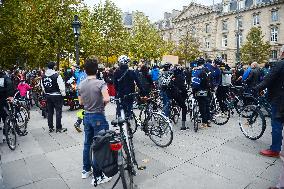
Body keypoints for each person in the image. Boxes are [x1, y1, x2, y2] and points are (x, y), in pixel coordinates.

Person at [78, 57, 112, 186]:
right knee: (100, 145)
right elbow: (107, 98)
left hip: (87, 116)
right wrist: (101, 106)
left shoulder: (81, 84)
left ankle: (86, 170)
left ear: (85, 70)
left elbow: (80, 102)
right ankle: (98, 176)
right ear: (96, 69)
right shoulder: (100, 83)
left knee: (87, 144)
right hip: (98, 116)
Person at [41, 62, 67, 133]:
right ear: (54, 67)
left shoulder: (43, 76)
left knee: (50, 112)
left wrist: (46, 93)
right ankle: (58, 127)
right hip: (57, 95)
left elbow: (42, 86)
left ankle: (50, 127)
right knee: (58, 111)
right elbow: (61, 86)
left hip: (48, 95)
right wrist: (63, 94)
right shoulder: (56, 75)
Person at [191, 58, 212, 128]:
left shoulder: (196, 71)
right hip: (207, 90)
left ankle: (204, 122)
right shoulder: (207, 70)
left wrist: (193, 90)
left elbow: (195, 83)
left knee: (202, 106)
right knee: (207, 105)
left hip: (200, 90)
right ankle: (209, 121)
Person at [168, 66, 188, 130]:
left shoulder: (171, 78)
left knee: (174, 103)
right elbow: (183, 88)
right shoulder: (181, 78)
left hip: (171, 95)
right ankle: (183, 125)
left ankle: (174, 111)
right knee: (184, 107)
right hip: (179, 94)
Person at [0, 70, 14, 141]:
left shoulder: (4, 78)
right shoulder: (4, 78)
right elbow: (10, 86)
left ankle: (5, 134)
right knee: (6, 117)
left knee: (5, 117)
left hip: (3, 100)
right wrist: (10, 95)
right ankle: (5, 134)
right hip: (3, 100)